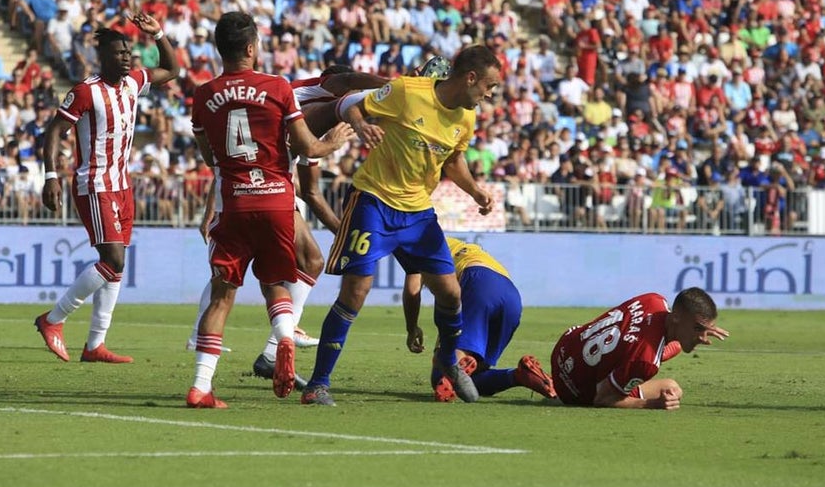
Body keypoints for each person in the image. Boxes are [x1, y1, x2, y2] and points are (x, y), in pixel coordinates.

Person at [300, 44, 501, 406]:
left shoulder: (467, 117)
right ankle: (318, 384)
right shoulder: (408, 91)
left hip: (418, 214)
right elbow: (353, 104)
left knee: (451, 293)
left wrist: (475, 192)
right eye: (489, 85)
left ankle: (448, 362)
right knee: (355, 293)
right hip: (373, 202)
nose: (490, 94)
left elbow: (453, 161)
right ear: (470, 78)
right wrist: (361, 126)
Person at [186, 11, 350, 408]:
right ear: (250, 47)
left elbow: (209, 155)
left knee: (222, 296)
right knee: (276, 282)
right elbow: (308, 148)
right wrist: (333, 141)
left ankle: (200, 387)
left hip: (235, 202)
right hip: (277, 200)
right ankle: (284, 339)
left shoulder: (204, 94)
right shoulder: (278, 87)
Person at [188, 64, 386, 388]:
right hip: (269, 196)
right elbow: (347, 87)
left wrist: (346, 235)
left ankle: (264, 352)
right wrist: (400, 84)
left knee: (295, 266)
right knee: (270, 279)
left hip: (247, 194)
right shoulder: (296, 94)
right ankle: (277, 340)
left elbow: (310, 191)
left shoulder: (301, 119)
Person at [33, 12, 177, 363]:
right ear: (103, 58)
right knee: (112, 260)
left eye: (129, 51)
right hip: (94, 184)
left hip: (122, 186)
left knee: (117, 266)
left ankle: (95, 344)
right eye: (119, 53)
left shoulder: (134, 84)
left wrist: (158, 33)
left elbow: (171, 69)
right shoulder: (86, 91)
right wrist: (51, 176)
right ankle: (52, 320)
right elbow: (53, 132)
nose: (127, 57)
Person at [400, 237, 557, 402]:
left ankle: (454, 369)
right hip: (511, 296)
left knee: (442, 372)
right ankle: (520, 375)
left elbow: (412, 290)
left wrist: (412, 328)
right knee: (472, 379)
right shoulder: (453, 244)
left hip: (476, 281)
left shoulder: (421, 245)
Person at [550, 287, 727, 410]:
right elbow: (603, 399)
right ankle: (548, 385)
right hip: (572, 391)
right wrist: (653, 404)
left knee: (654, 351)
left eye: (706, 330)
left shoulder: (653, 299)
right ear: (677, 317)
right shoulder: (647, 362)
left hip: (564, 349)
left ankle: (545, 380)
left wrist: (696, 333)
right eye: (698, 328)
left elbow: (638, 343)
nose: (703, 337)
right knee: (672, 388)